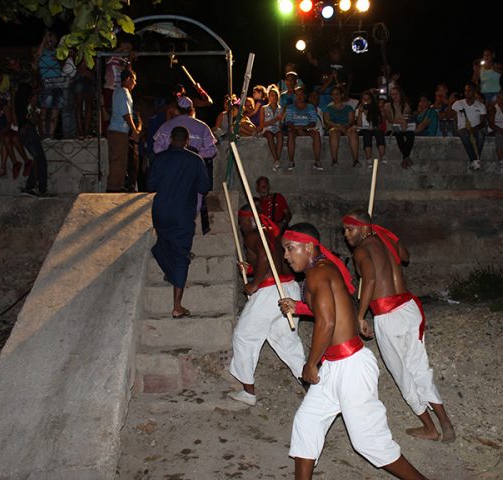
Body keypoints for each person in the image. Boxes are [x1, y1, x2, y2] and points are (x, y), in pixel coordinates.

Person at [278, 223, 429, 480]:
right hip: (336, 367)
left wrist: (310, 363)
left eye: (291, 249)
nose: (286, 256)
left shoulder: (318, 273)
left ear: (309, 247)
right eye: (285, 250)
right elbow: (335, 308)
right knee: (307, 423)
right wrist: (299, 307)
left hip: (351, 369)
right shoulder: (322, 269)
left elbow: (327, 323)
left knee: (368, 442)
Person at [342, 210, 456, 443]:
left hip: (389, 316)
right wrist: (385, 234)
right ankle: (445, 421)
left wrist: (360, 315)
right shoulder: (385, 237)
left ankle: (430, 428)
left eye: (350, 229)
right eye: (345, 230)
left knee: (403, 373)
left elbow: (371, 280)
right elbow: (405, 256)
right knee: (419, 367)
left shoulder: (361, 250)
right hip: (409, 309)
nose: (346, 235)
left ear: (363, 228)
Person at [227, 206, 305, 406]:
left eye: (242, 221)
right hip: (289, 288)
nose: (241, 225)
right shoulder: (274, 234)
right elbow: (274, 261)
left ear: (249, 221)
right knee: (286, 339)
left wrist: (254, 283)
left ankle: (248, 392)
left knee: (244, 336)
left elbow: (264, 255)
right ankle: (310, 383)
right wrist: (252, 269)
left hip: (271, 293)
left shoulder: (254, 235)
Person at [147, 126, 210, 318]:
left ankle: (172, 271)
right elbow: (204, 187)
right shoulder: (195, 160)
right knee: (182, 256)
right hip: (183, 213)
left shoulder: (159, 159)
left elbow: (150, 185)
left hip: (161, 212)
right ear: (187, 141)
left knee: (163, 245)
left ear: (171, 139)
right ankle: (177, 307)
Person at [153, 95, 218, 234]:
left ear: (177, 109)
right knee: (194, 202)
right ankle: (185, 234)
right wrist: (196, 156)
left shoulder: (166, 126)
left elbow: (156, 148)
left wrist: (171, 154)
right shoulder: (202, 127)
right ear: (192, 109)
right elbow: (212, 150)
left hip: (170, 173)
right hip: (192, 172)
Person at [107, 69, 141, 192]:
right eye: (134, 80)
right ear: (128, 79)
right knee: (119, 160)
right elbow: (126, 114)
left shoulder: (117, 91)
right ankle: (114, 187)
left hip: (115, 130)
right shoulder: (124, 92)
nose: (135, 83)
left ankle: (116, 185)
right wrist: (134, 131)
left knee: (118, 159)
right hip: (119, 131)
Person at [284, 86, 322, 171]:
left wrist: (303, 128)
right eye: (297, 95)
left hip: (307, 128)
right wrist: (297, 129)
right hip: (294, 128)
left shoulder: (310, 107)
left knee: (316, 134)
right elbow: (288, 122)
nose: (299, 97)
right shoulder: (290, 107)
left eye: (301, 95)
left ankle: (317, 161)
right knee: (290, 134)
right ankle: (291, 161)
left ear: (305, 96)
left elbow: (313, 122)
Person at [452, 82, 486, 170]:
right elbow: (451, 117)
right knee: (465, 134)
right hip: (462, 128)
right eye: (465, 90)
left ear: (475, 91)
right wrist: (450, 103)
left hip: (475, 128)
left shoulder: (481, 106)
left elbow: (483, 123)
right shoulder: (458, 103)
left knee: (481, 134)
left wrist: (475, 128)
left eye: (469, 90)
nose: (466, 92)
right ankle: (475, 159)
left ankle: (474, 161)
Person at [323, 86, 358, 167]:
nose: (335, 96)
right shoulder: (328, 108)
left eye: (337, 94)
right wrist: (338, 127)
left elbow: (351, 121)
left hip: (346, 127)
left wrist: (344, 127)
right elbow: (327, 121)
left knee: (353, 132)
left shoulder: (348, 108)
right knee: (333, 132)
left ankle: (355, 160)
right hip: (334, 127)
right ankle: (334, 160)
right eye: (333, 94)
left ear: (342, 95)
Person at [383, 86, 415, 168]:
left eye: (396, 94)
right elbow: (390, 120)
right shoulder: (387, 106)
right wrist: (400, 121)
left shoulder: (405, 106)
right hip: (392, 129)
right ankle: (406, 157)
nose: (395, 96)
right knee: (399, 135)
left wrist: (402, 121)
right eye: (392, 94)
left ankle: (405, 157)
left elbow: (406, 119)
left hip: (402, 128)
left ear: (400, 94)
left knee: (411, 134)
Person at [355, 90, 386, 166]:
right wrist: (360, 112)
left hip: (374, 128)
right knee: (366, 134)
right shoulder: (358, 110)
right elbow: (359, 124)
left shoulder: (376, 109)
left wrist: (368, 112)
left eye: (368, 98)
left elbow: (378, 123)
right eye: (364, 98)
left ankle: (383, 157)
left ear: (371, 100)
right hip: (363, 129)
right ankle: (369, 159)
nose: (365, 100)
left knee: (379, 133)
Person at [258, 85, 284, 171]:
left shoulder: (280, 109)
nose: (274, 97)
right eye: (272, 95)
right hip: (267, 129)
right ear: (269, 97)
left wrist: (281, 121)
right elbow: (262, 124)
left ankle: (277, 159)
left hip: (276, 129)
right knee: (269, 135)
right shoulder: (264, 108)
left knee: (280, 135)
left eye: (276, 95)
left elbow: (280, 124)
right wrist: (275, 119)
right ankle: (276, 159)